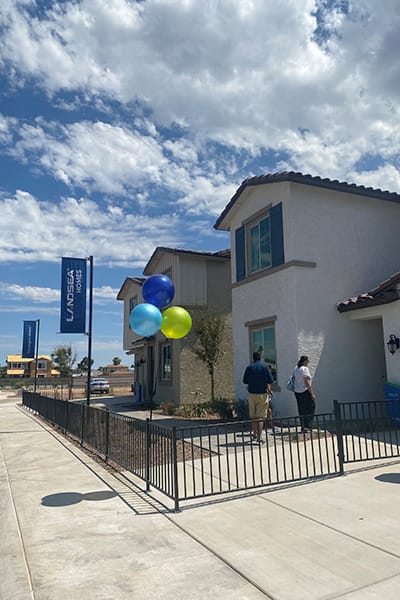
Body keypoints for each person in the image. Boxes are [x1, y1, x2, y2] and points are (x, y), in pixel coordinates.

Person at [243, 352, 273, 443]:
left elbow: (245, 381)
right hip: (262, 394)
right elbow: (270, 380)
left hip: (251, 394)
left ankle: (254, 434)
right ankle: (259, 438)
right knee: (260, 417)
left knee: (253, 416)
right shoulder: (264, 367)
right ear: (260, 357)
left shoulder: (249, 368)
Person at [293, 355, 316, 432]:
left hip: (297, 391)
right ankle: (308, 425)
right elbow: (306, 382)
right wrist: (312, 393)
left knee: (301, 409)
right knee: (311, 407)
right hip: (304, 391)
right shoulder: (304, 369)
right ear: (305, 361)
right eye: (307, 361)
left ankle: (303, 426)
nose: (308, 363)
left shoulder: (296, 368)